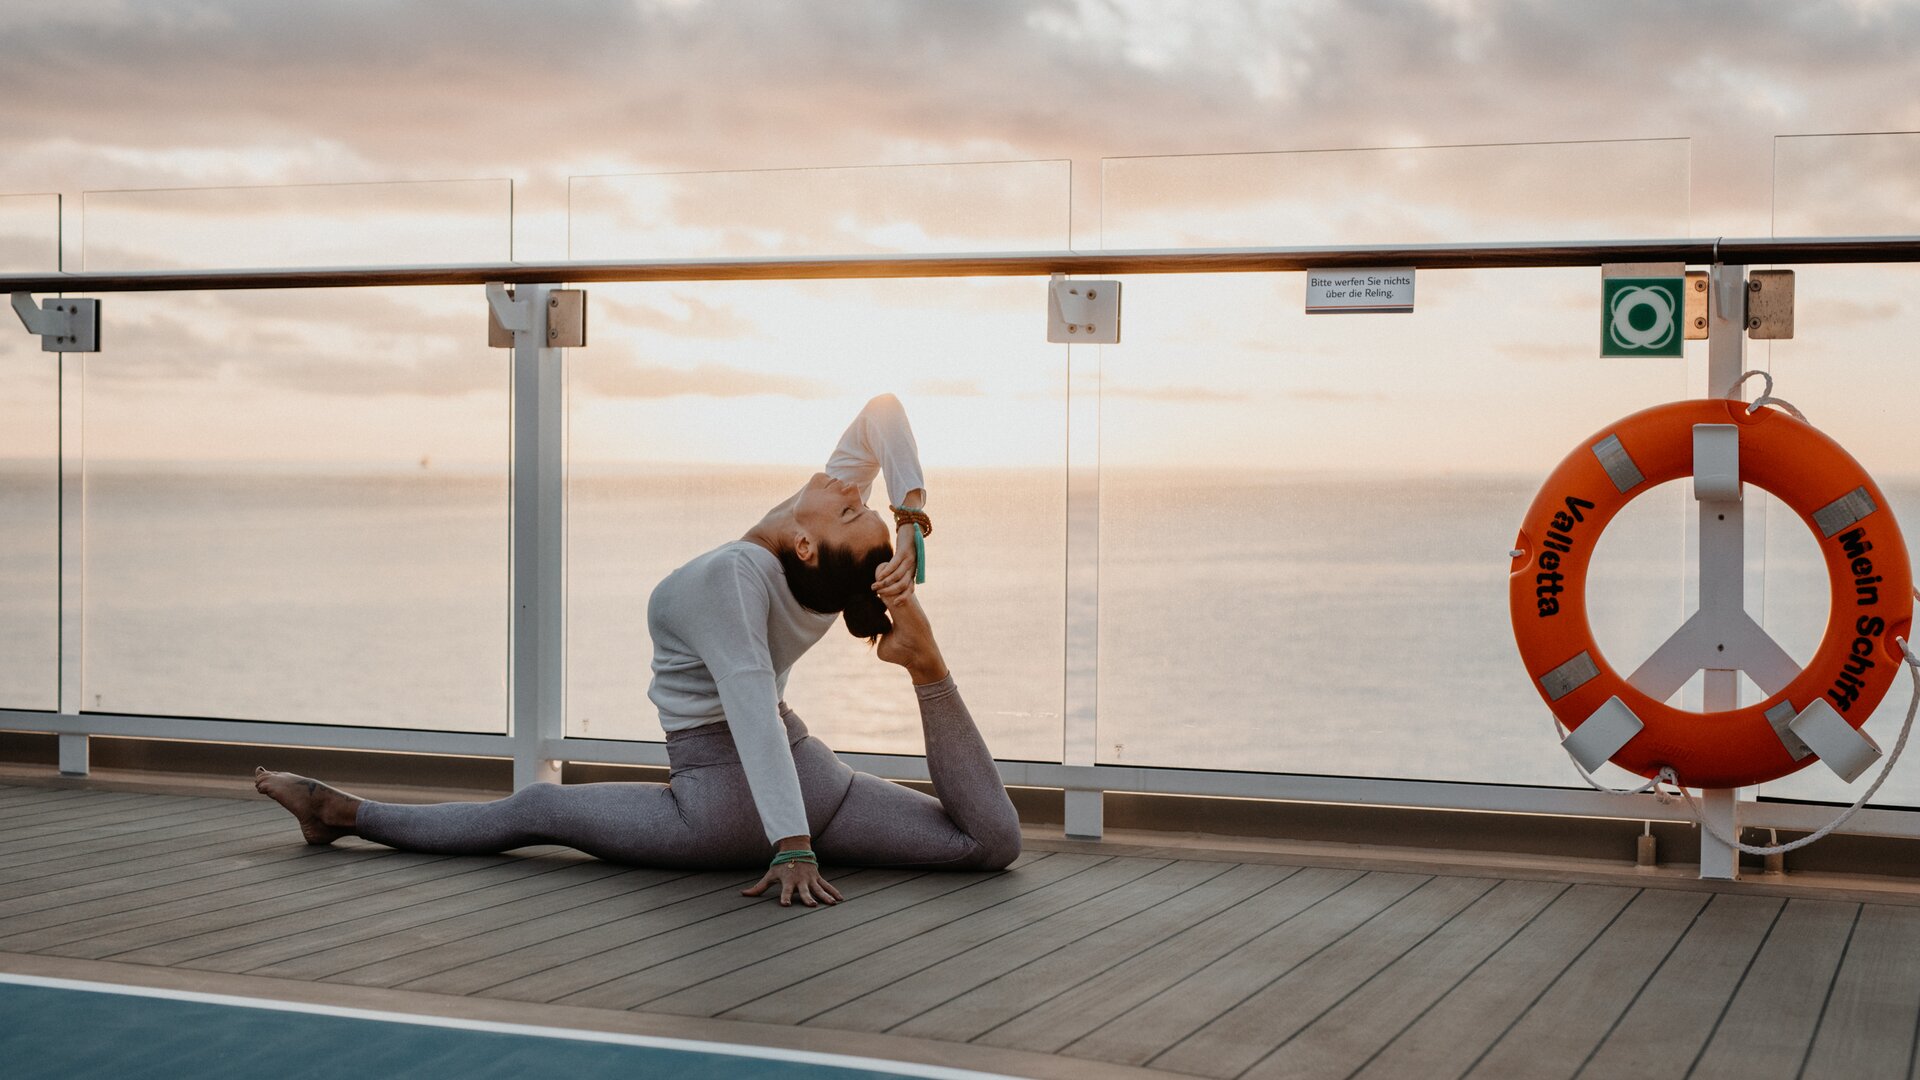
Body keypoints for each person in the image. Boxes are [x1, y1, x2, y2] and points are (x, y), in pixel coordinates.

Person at [255, 394, 1021, 909]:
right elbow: (880, 415)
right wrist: (910, 511)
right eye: (862, 501)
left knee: (541, 808)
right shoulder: (800, 561)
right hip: (820, 781)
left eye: (853, 509)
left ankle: (344, 812)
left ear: (806, 544)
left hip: (724, 809)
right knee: (989, 844)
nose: (856, 489)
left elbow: (752, 705)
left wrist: (791, 845)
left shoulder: (735, 574)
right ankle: (927, 667)